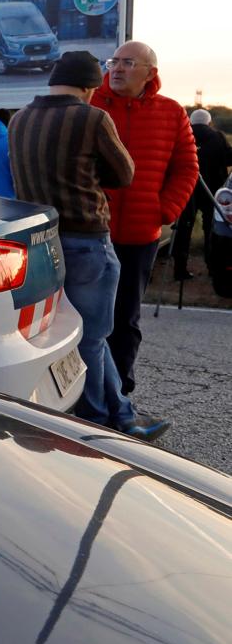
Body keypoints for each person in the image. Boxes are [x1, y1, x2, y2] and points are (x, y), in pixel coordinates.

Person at [8, 51, 168, 440]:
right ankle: (95, 424)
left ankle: (124, 415)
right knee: (94, 338)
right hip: (87, 240)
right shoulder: (91, 116)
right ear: (89, 87)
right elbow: (124, 174)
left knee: (74, 334)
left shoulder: (19, 118)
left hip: (42, 240)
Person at [90, 41, 198, 396]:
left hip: (140, 234)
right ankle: (82, 390)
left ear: (150, 72)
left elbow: (186, 168)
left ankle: (119, 392)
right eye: (114, 62)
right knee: (82, 315)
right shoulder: (89, 105)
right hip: (89, 230)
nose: (117, 69)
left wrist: (164, 210)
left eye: (128, 63)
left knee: (126, 317)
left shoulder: (171, 112)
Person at [173, 108, 232, 280]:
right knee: (210, 229)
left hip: (186, 190)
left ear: (190, 121)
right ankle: (212, 268)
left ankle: (180, 269)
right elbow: (228, 159)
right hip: (211, 191)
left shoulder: (183, 135)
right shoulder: (218, 137)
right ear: (209, 122)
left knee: (183, 229)